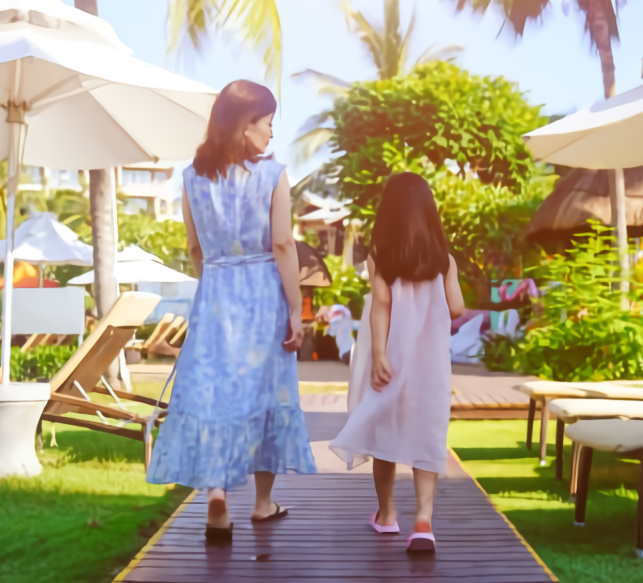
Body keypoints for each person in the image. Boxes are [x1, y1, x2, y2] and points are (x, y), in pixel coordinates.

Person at [146, 80, 315, 542]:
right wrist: (296, 310)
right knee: (267, 394)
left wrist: (217, 276)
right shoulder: (273, 174)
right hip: (263, 292)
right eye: (268, 124)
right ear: (246, 125)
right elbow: (282, 244)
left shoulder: (191, 177)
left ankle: (216, 498)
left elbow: (195, 248)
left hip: (216, 291)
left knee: (214, 395)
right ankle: (263, 504)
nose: (271, 134)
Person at [329, 173, 465, 552]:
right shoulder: (444, 260)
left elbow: (381, 308)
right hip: (430, 363)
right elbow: (456, 308)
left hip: (391, 358)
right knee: (428, 433)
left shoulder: (380, 257)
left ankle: (387, 514)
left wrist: (380, 356)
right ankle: (423, 521)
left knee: (383, 430)